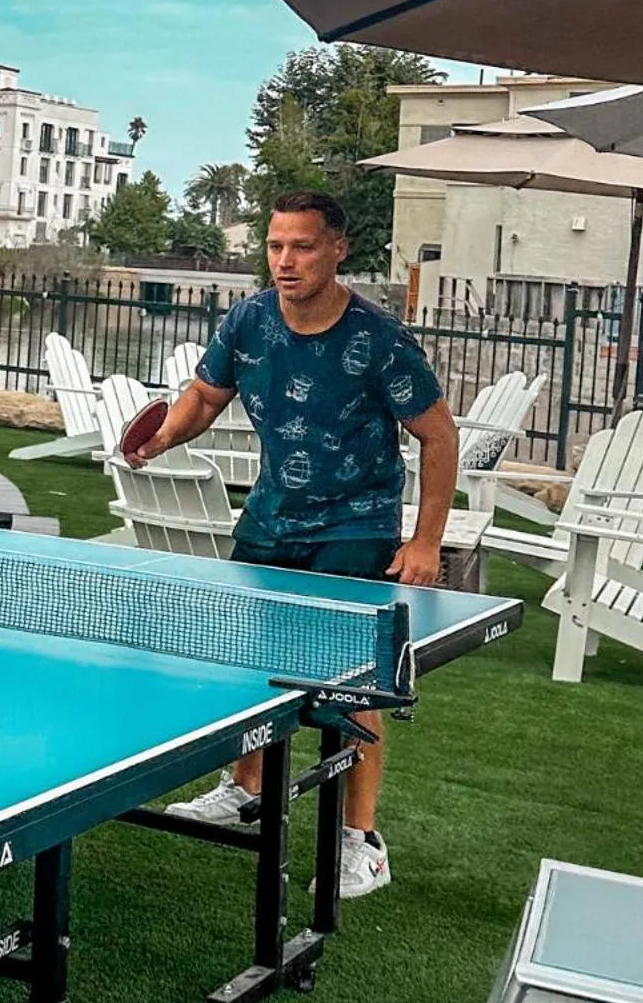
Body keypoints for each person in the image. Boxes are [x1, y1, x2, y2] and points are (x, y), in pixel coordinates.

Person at [127, 189, 457, 900]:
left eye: (301, 246)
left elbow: (438, 436)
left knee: (350, 687)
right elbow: (204, 395)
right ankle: (247, 790)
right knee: (255, 671)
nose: (284, 260)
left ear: (338, 248)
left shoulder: (379, 338)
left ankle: (358, 839)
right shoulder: (247, 319)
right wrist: (161, 434)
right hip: (270, 521)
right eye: (275, 245)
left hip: (356, 528)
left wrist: (425, 540)